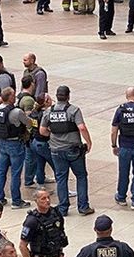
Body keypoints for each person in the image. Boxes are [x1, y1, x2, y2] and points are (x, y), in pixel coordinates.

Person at [39, 85, 94, 217]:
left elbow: (42, 131)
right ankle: (83, 207)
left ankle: (63, 208)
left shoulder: (48, 112)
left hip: (56, 150)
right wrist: (89, 142)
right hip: (74, 150)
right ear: (68, 96)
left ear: (57, 97)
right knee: (81, 176)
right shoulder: (73, 110)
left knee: (61, 178)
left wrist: (53, 137)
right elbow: (81, 127)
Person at [0, 87, 29, 209]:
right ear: (11, 97)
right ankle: (16, 201)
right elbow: (28, 123)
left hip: (1, 142)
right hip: (14, 144)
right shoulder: (16, 112)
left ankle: (0, 198)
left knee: (1, 171)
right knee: (15, 173)